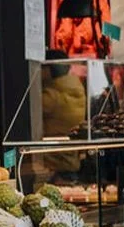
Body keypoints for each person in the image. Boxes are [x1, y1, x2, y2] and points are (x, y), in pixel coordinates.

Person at [38, 50, 86, 183]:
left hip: (54, 165)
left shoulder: (51, 96)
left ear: (49, 69)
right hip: (70, 160)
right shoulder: (74, 88)